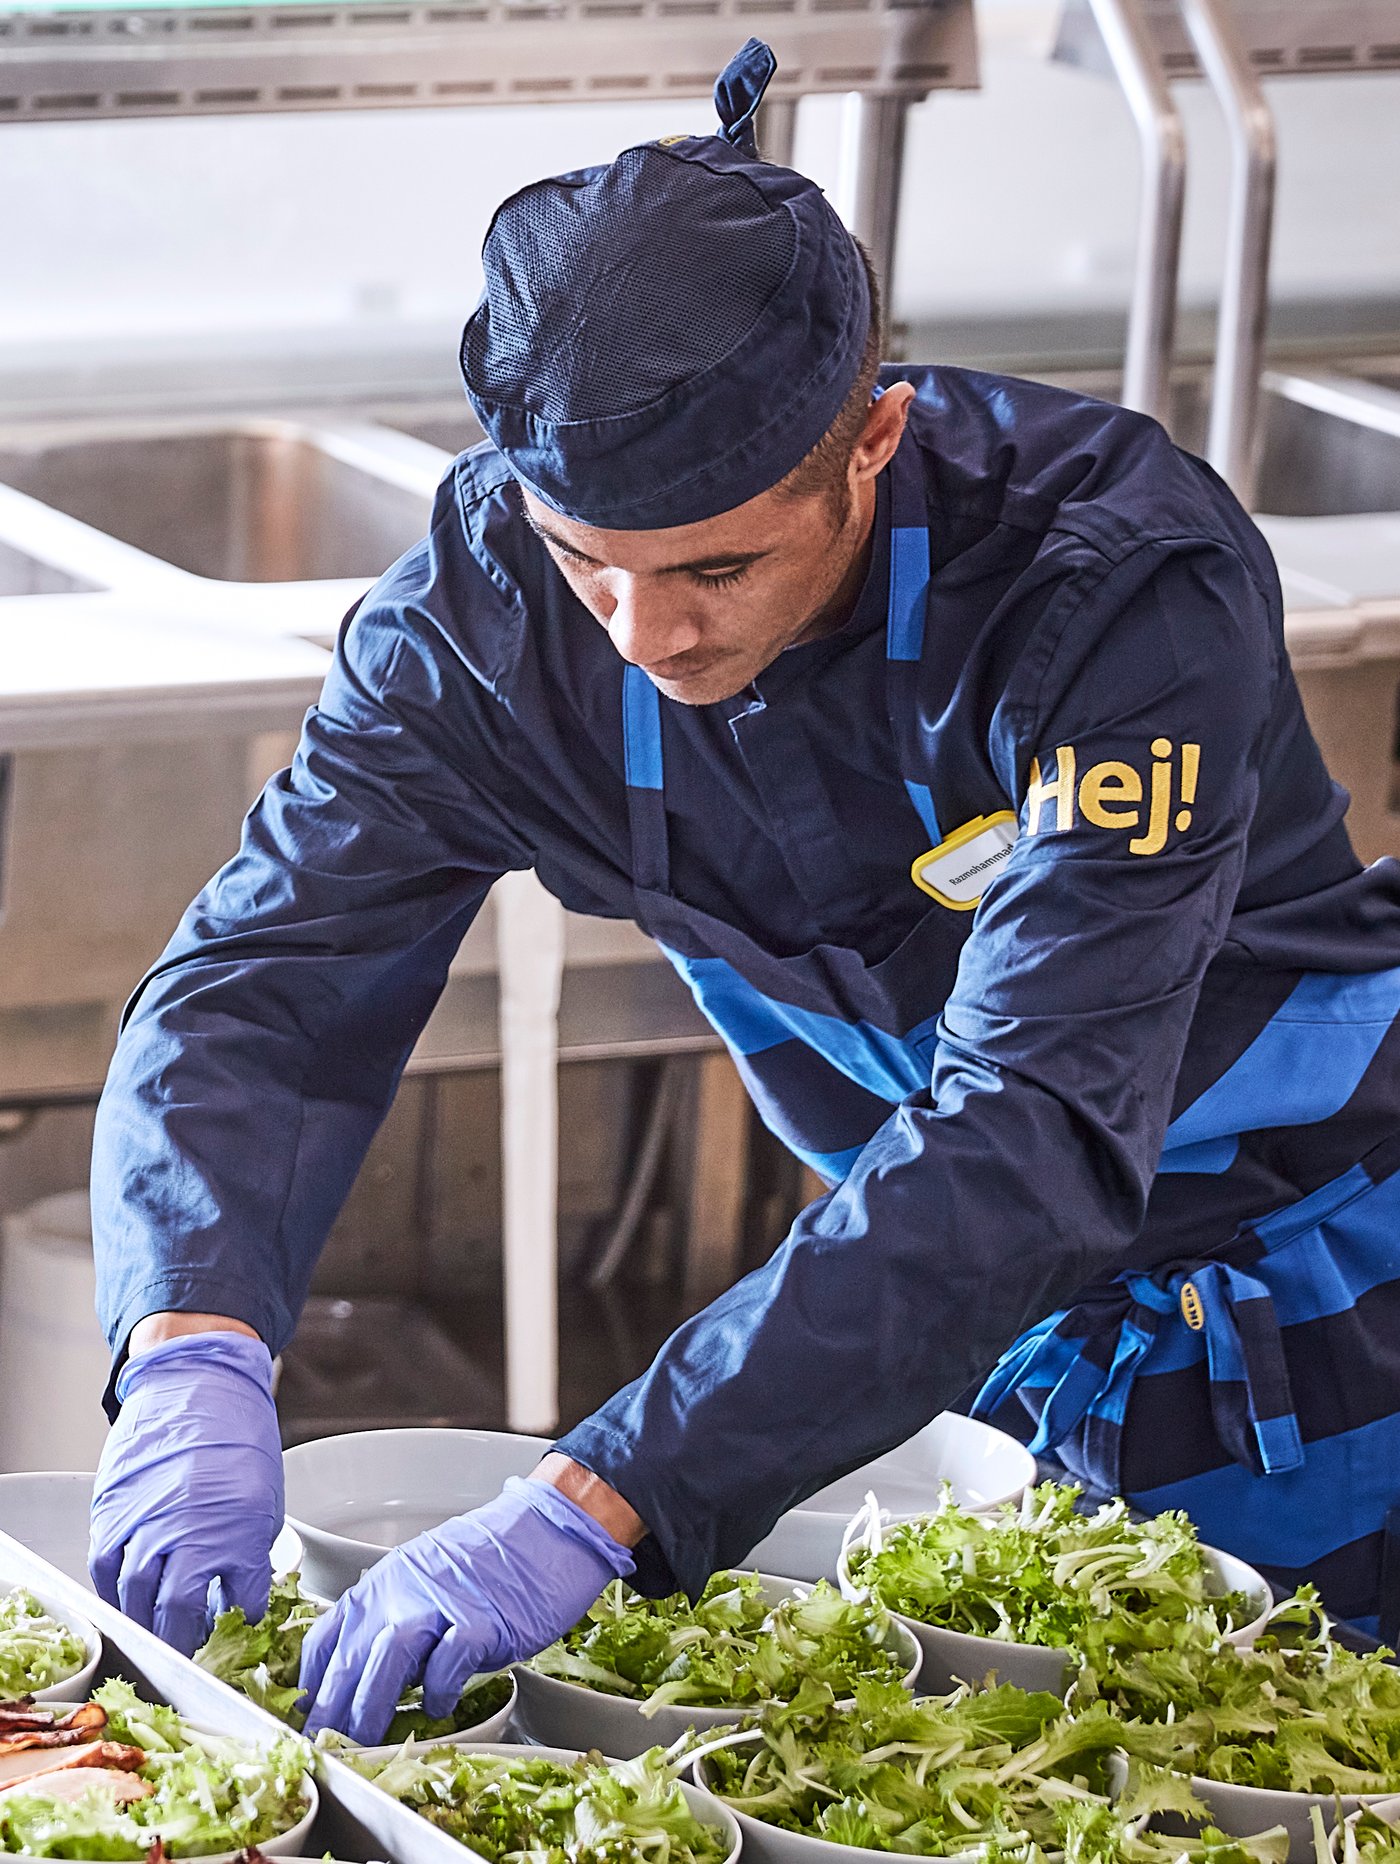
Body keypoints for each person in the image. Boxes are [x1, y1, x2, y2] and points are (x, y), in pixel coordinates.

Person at [89, 36, 1400, 1741]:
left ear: (871, 442)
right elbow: (263, 982)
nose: (649, 637)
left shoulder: (1108, 589)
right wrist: (189, 1339)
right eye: (589, 564)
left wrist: (599, 1503)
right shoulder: (484, 631)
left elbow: (1031, 1127)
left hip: (1315, 1308)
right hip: (927, 1342)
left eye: (717, 563)